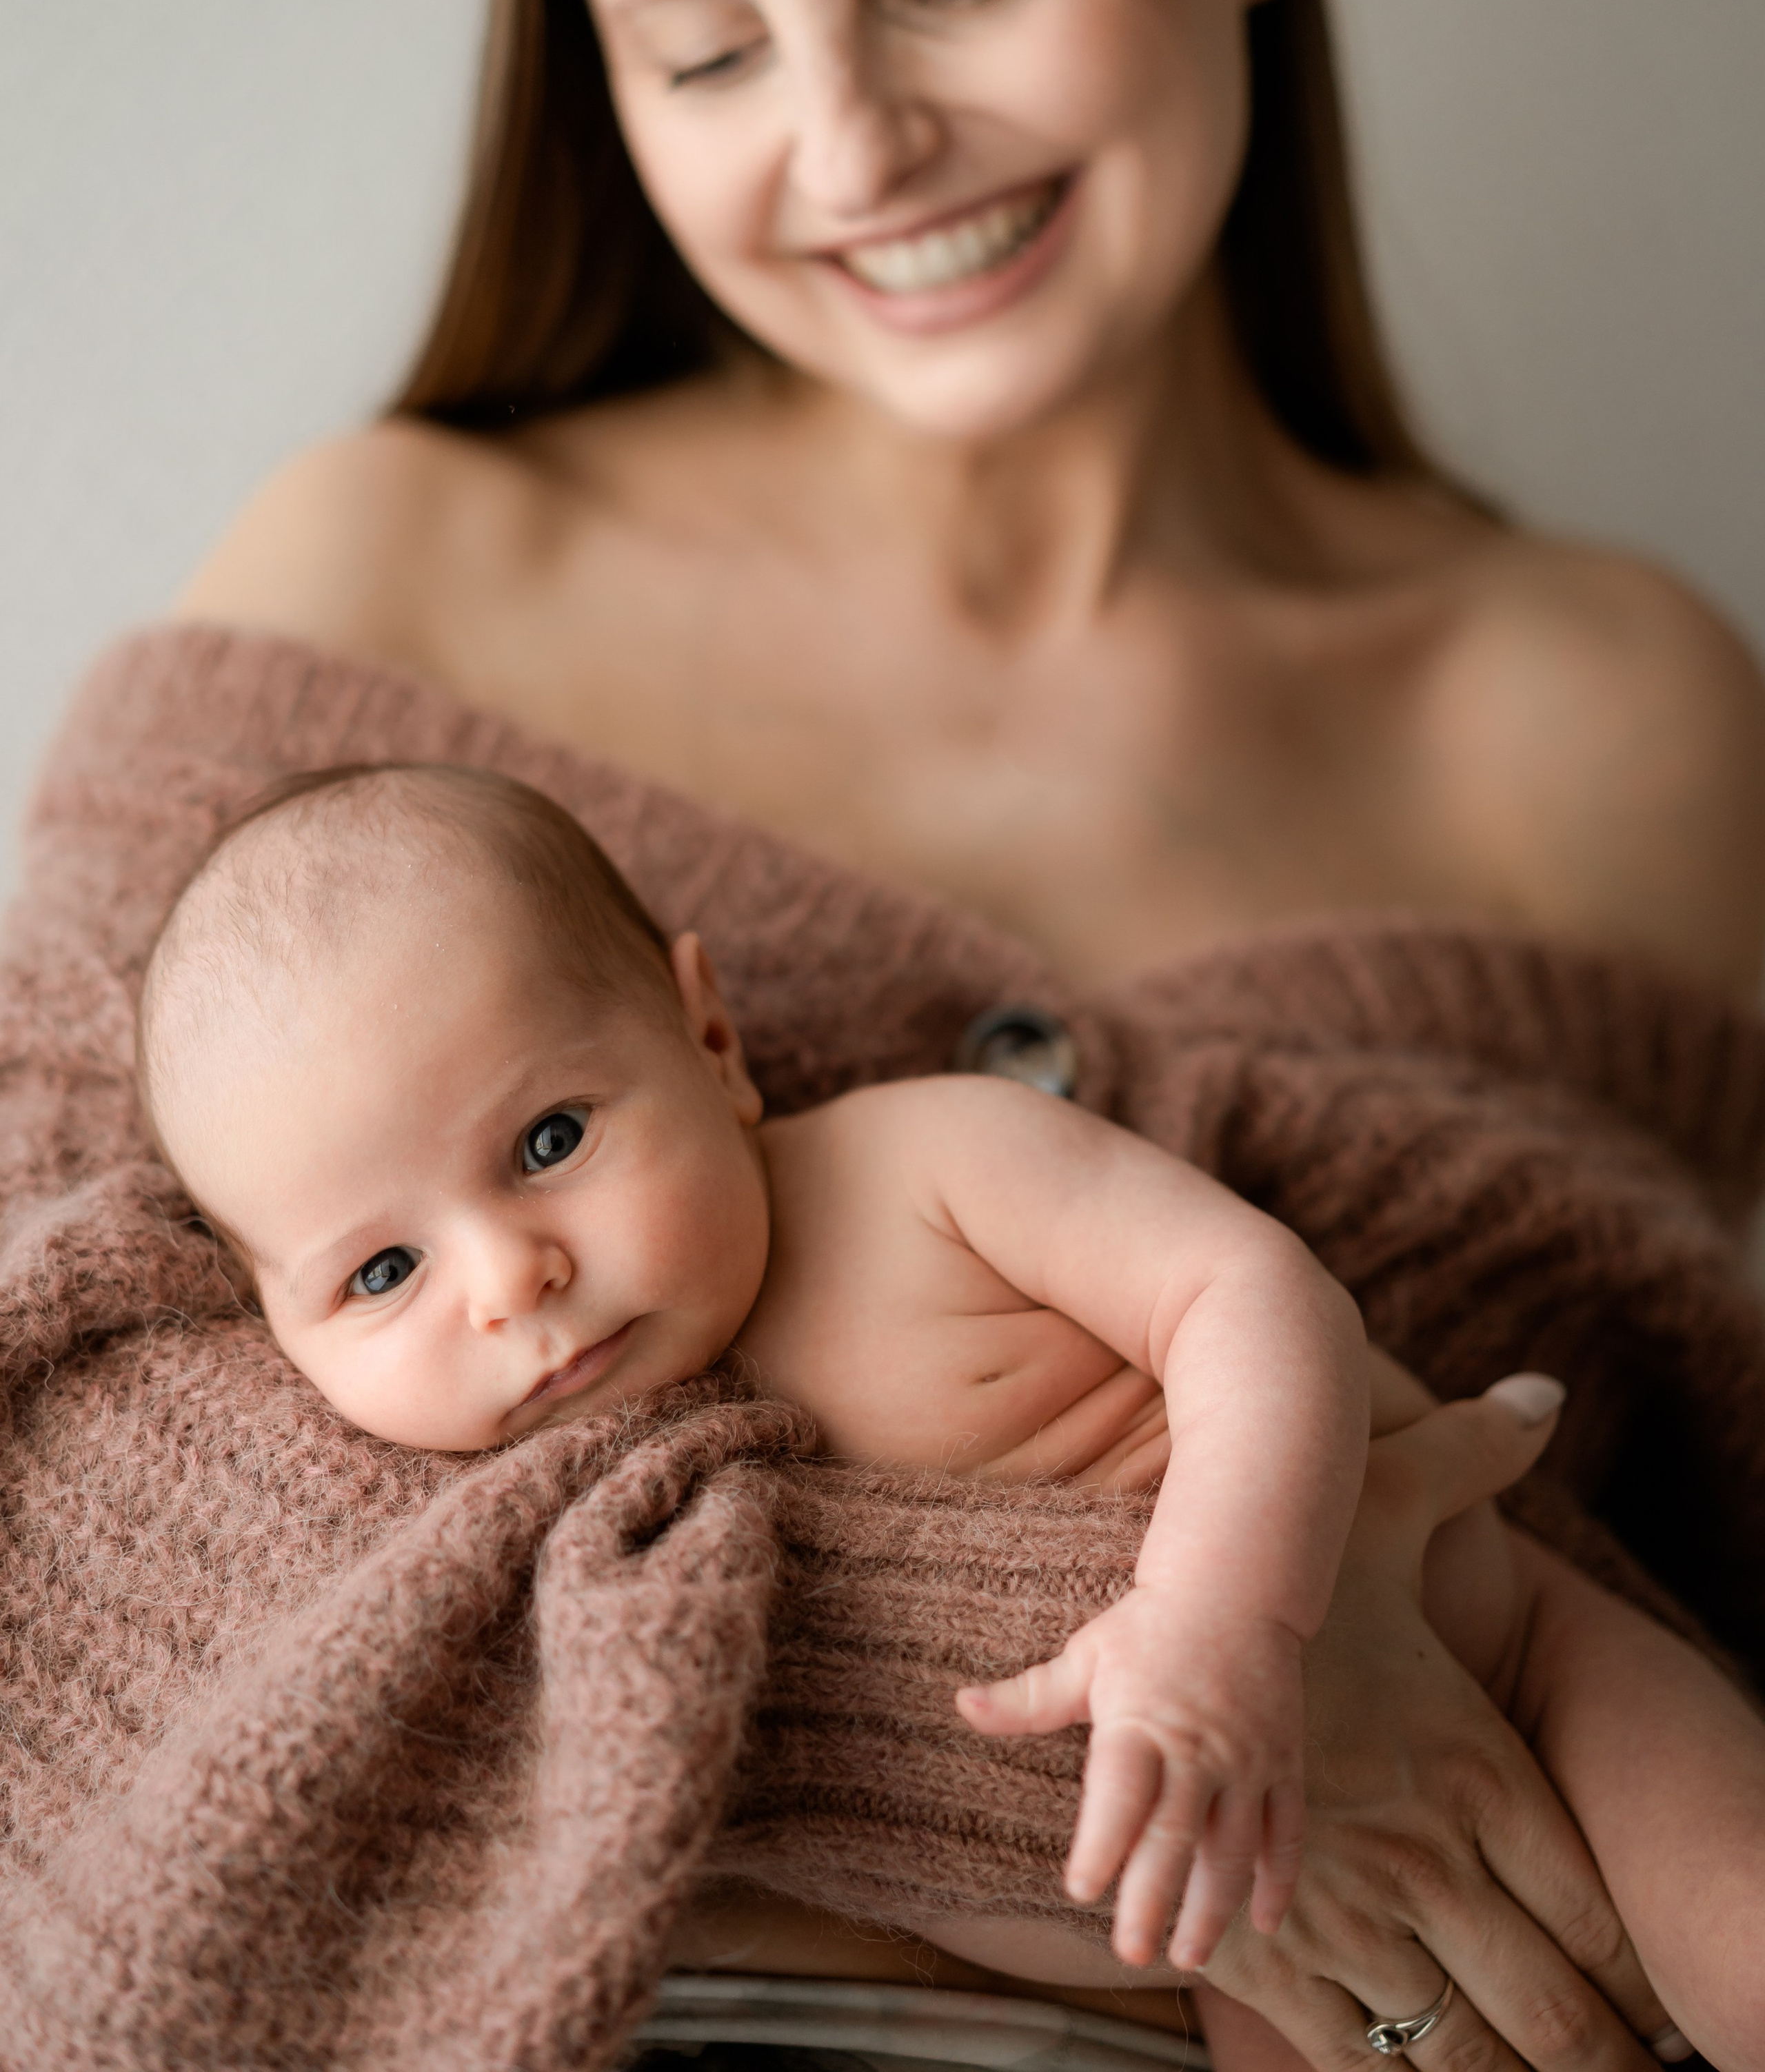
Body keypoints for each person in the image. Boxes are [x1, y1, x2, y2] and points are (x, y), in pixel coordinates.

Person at [171, 0, 1765, 2065]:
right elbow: (61, 1467)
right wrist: (1066, 1689)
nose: (852, 143)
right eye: (700, 50)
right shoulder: (393, 588)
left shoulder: (1618, 722)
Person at [134, 760, 1765, 2071]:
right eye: (383, 1270)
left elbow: (1254, 1301)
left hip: (1532, 1672)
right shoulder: (523, 1521)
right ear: (276, 1332)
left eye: (551, 1137)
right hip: (1236, 1926)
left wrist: (1220, 1616)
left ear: (709, 1040)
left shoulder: (922, 1170)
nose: (508, 1281)